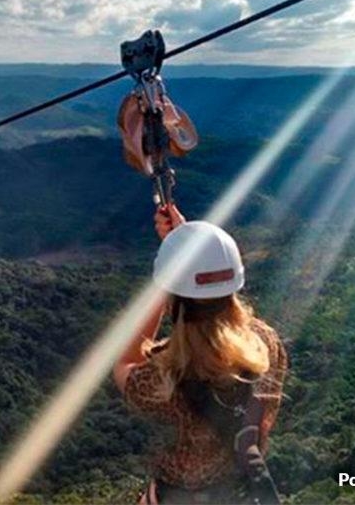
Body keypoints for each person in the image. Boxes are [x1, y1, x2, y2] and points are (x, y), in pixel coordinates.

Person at [113, 204, 288, 504]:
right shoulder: (266, 346)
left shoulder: (163, 380)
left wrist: (169, 271)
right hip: (241, 493)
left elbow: (125, 361)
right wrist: (190, 245)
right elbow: (226, 309)